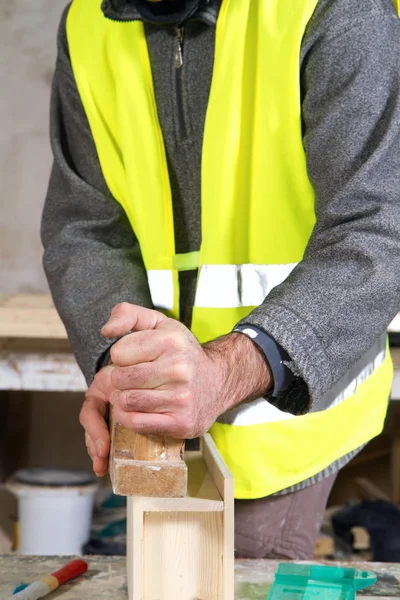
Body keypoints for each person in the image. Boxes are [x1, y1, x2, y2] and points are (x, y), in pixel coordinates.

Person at [41, 0, 400, 559]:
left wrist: (227, 370)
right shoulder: (89, 23)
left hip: (283, 427)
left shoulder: (338, 10)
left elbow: (378, 231)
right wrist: (125, 363)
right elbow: (86, 225)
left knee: (230, 574)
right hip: (163, 426)